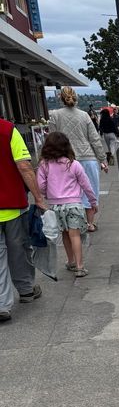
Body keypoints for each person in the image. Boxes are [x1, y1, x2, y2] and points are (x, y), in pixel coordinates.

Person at [0, 117, 45, 323]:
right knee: (19, 250)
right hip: (12, 205)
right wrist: (38, 197)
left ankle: (2, 304)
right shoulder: (8, 130)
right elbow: (25, 167)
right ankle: (26, 290)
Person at [37, 132, 97, 279]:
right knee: (75, 235)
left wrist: (48, 194)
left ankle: (70, 261)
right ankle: (80, 266)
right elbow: (86, 184)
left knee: (64, 234)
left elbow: (40, 185)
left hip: (55, 205)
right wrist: (93, 202)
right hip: (74, 204)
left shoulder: (44, 165)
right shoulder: (73, 164)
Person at [48, 87, 108, 232]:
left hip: (65, 159)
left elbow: (52, 139)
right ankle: (90, 223)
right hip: (87, 157)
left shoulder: (55, 115)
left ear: (60, 98)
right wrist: (103, 159)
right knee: (90, 190)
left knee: (69, 192)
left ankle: (72, 224)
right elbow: (94, 139)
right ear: (76, 98)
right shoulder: (84, 115)